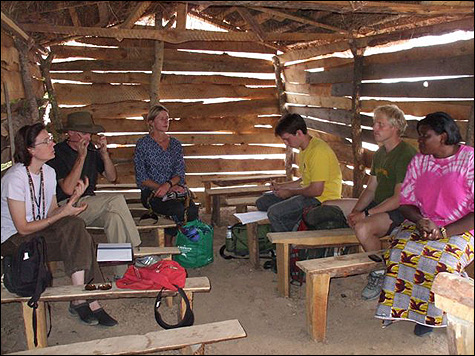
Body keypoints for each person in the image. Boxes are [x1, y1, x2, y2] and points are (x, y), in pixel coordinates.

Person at [1, 123, 117, 327]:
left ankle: (81, 297)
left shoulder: (48, 172)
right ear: (30, 150)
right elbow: (23, 228)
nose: (53, 143)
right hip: (15, 242)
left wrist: (72, 202)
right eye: (46, 141)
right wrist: (62, 213)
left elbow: (51, 212)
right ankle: (87, 300)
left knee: (74, 225)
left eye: (51, 139)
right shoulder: (14, 178)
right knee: (75, 230)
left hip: (37, 234)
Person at [374, 111, 473, 337]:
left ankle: (431, 316)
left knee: (442, 260)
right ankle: (398, 309)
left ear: (444, 136)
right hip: (424, 224)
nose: (419, 141)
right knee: (399, 251)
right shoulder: (419, 161)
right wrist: (421, 221)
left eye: (425, 136)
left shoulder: (470, 160)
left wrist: (444, 232)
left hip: (462, 229)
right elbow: (405, 201)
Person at [323, 105, 417, 300]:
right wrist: (355, 211)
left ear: (395, 127)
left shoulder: (405, 154)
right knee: (329, 206)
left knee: (363, 228)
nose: (375, 128)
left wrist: (364, 215)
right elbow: (371, 189)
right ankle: (340, 250)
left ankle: (380, 273)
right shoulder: (381, 153)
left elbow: (399, 199)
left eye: (380, 124)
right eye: (375, 123)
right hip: (380, 204)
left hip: (401, 211)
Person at [46, 111, 142, 279]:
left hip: (89, 205)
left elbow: (112, 177)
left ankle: (121, 275)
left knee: (115, 218)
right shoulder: (58, 153)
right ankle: (137, 250)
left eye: (90, 133)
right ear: (71, 134)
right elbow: (68, 189)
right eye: (84, 133)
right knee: (117, 199)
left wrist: (104, 154)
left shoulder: (91, 150)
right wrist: (81, 158)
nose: (88, 137)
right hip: (65, 207)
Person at [256, 113, 342, 232]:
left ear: (299, 133)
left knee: (274, 213)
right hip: (309, 194)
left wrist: (290, 193)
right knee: (263, 201)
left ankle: (290, 247)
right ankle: (294, 225)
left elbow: (317, 190)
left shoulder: (318, 151)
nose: (286, 143)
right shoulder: (304, 149)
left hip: (321, 199)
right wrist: (281, 187)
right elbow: (304, 180)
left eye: (287, 139)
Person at [134, 104, 198, 246]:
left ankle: (184, 241)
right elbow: (142, 178)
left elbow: (180, 172)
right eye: (161, 118)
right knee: (177, 209)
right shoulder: (143, 144)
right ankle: (168, 242)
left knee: (193, 210)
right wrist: (162, 188)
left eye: (167, 118)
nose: (166, 121)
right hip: (152, 192)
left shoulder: (175, 144)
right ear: (151, 122)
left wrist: (169, 185)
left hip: (173, 189)